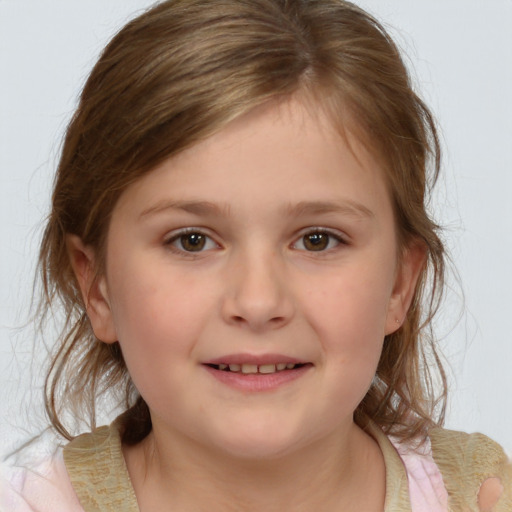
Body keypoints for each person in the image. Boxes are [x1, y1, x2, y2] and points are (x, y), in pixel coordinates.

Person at [1, 0, 510, 510]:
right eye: (191, 240)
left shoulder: (480, 496)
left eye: (317, 240)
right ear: (98, 287)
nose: (259, 300)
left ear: (400, 282)